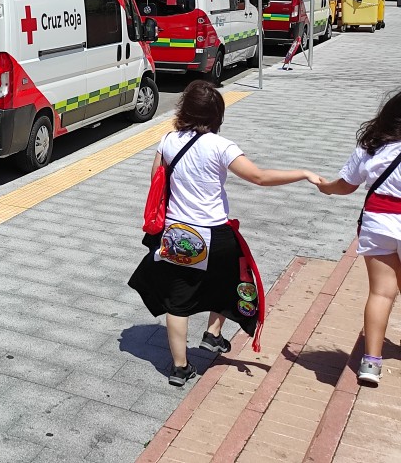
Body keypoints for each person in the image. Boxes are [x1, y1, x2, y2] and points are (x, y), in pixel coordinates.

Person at [129, 81, 325, 386]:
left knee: (177, 301)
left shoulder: (168, 141)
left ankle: (180, 368)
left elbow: (156, 178)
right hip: (215, 234)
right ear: (217, 114)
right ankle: (213, 333)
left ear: (184, 109)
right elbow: (258, 177)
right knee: (234, 278)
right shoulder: (221, 146)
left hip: (178, 235)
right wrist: (303, 174)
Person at [316, 89, 401, 387]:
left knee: (381, 293)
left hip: (377, 222)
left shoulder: (374, 146)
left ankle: (371, 363)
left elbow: (345, 185)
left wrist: (324, 187)